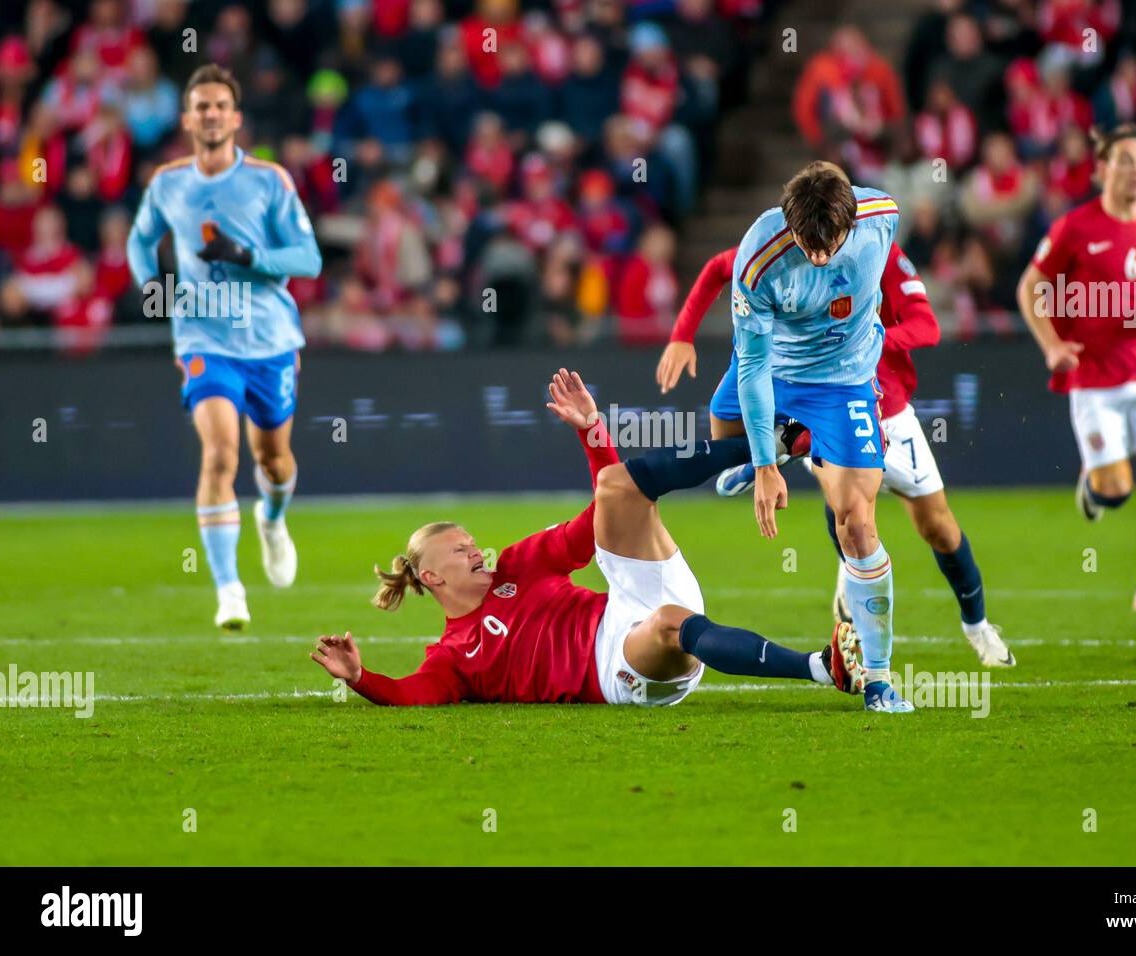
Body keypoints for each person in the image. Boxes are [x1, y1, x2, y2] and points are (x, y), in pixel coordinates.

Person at [310, 370, 862, 706]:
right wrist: (360, 678)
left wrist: (592, 430)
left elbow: (602, 508)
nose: (476, 550)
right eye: (460, 550)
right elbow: (411, 695)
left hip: (626, 602)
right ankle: (820, 667)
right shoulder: (453, 657)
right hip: (617, 669)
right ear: (430, 576)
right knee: (671, 625)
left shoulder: (517, 567)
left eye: (470, 541)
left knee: (618, 486)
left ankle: (769, 445)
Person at [656, 241, 1014, 667]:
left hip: (890, 411)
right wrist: (681, 335)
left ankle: (976, 626)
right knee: (845, 502)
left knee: (938, 527)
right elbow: (719, 265)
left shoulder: (877, 248)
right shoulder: (781, 248)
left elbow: (927, 327)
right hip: (826, 404)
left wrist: (868, 340)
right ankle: (790, 454)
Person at [126, 64, 322, 629]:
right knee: (219, 455)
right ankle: (229, 589)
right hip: (201, 337)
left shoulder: (270, 180)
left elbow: (307, 259)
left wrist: (249, 257)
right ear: (187, 118)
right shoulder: (167, 184)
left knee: (272, 459)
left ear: (235, 118)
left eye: (219, 106)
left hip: (269, 340)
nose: (210, 114)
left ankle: (273, 518)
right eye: (200, 106)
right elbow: (140, 240)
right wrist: (152, 284)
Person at [714, 161, 912, 712]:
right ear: (788, 223)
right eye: (808, 245)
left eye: (831, 245)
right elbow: (751, 367)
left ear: (851, 223)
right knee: (721, 428)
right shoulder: (758, 258)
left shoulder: (882, 217)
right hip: (774, 366)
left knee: (857, 522)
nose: (820, 257)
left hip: (844, 379)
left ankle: (877, 678)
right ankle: (785, 443)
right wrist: (761, 467)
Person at [1015, 124, 1136, 612]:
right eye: (1126, 159)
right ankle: (1096, 490)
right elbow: (1030, 287)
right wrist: (1051, 344)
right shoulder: (1074, 227)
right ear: (1102, 171)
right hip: (1094, 379)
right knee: (1118, 491)